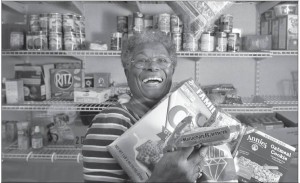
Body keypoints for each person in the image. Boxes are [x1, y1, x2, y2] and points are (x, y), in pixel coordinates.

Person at [82, 29, 208, 183]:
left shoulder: (179, 121)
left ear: (172, 70)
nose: (153, 67)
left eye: (162, 60)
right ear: (127, 71)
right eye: (142, 60)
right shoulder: (112, 121)